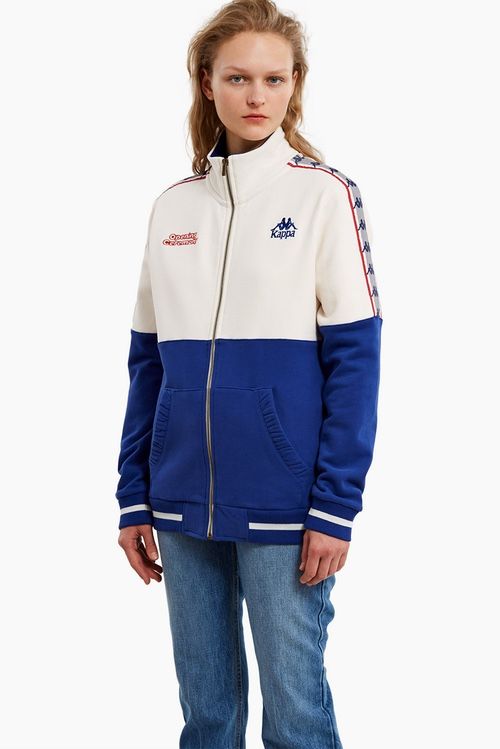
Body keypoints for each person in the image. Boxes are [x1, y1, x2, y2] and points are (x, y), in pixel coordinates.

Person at [115, 1, 383, 747]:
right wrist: (134, 494)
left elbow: (357, 363)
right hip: (179, 500)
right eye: (237, 78)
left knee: (296, 720)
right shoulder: (173, 207)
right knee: (207, 719)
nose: (256, 95)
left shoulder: (324, 196)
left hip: (286, 505)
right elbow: (147, 364)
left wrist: (334, 507)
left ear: (296, 84)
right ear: (207, 83)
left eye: (274, 78)